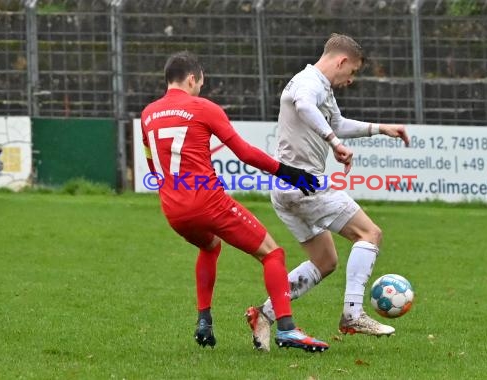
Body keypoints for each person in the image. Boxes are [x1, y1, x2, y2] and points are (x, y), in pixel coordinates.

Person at [140, 51, 329, 352]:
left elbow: (152, 166)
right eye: (200, 81)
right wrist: (289, 173)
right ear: (192, 78)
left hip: (173, 209)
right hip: (207, 202)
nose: (201, 87)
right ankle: (287, 328)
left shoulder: (148, 114)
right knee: (273, 254)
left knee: (209, 246)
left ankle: (204, 318)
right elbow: (245, 152)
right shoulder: (203, 108)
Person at [245, 33, 410, 351]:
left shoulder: (319, 86)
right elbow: (306, 106)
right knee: (370, 234)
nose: (351, 80)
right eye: (352, 72)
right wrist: (334, 143)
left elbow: (336, 122)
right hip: (305, 184)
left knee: (325, 260)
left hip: (285, 189)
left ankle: (263, 314)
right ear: (342, 61)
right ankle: (353, 314)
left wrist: (380, 129)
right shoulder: (309, 84)